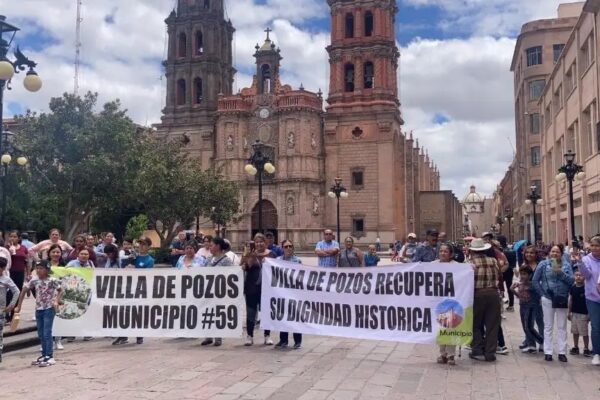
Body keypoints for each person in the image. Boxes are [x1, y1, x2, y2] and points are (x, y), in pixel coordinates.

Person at [15, 260, 62, 367]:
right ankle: (44, 354)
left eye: (41, 268)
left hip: (49, 309)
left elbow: (61, 290)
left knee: (47, 332)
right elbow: (23, 290)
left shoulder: (52, 280)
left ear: (47, 269)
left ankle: (49, 356)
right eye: (37, 268)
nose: (39, 270)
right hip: (38, 309)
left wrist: (56, 300)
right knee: (41, 333)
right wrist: (19, 305)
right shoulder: (34, 280)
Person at [532, 244, 574, 362]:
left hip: (561, 298)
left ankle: (562, 352)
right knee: (548, 325)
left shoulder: (566, 265)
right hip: (548, 298)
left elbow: (571, 281)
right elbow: (535, 280)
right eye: (553, 251)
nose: (555, 254)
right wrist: (542, 294)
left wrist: (560, 272)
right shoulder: (543, 264)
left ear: (561, 254)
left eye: (557, 252)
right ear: (549, 253)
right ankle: (548, 351)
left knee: (562, 326)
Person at [114, 236, 155, 346]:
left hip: (140, 289)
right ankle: (122, 336)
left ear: (148, 247)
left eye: (144, 244)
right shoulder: (133, 256)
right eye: (140, 244)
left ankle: (139, 335)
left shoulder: (150, 260)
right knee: (124, 312)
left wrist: (135, 270)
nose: (141, 246)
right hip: (128, 288)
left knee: (138, 313)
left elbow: (147, 275)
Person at [468, 238, 501, 362]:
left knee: (475, 324)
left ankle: (477, 350)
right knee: (492, 324)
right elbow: (499, 274)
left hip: (477, 294)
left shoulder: (471, 263)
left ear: (472, 250)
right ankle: (490, 352)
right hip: (493, 293)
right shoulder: (493, 260)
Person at [571, 235, 600, 365]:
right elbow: (587, 275)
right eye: (592, 245)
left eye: (597, 245)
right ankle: (596, 353)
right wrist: (580, 262)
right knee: (596, 326)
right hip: (593, 298)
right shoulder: (587, 259)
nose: (594, 248)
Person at [201, 237, 234, 347]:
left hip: (220, 291)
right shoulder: (208, 260)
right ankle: (208, 336)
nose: (210, 247)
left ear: (218, 246)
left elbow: (231, 275)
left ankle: (218, 337)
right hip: (208, 291)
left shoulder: (226, 260)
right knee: (208, 312)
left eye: (212, 245)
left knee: (219, 313)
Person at [241, 233, 273, 346]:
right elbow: (244, 267)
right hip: (251, 288)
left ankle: (267, 335)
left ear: (266, 242)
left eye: (261, 241)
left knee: (265, 312)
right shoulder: (250, 254)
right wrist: (251, 256)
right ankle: (249, 336)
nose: (259, 244)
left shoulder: (271, 254)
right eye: (257, 242)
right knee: (251, 312)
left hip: (266, 289)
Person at [275, 239, 303, 349]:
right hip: (282, 293)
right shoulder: (277, 260)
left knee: (295, 317)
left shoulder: (297, 261)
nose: (288, 248)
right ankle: (283, 340)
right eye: (286, 246)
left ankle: (297, 341)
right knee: (283, 316)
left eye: (290, 246)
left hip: (294, 293)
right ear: (282, 248)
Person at [511, 265, 543, 353]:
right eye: (521, 274)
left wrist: (539, 303)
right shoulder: (520, 284)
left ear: (529, 275)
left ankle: (542, 341)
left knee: (529, 326)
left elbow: (539, 295)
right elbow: (520, 296)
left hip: (531, 306)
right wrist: (513, 290)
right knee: (525, 326)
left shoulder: (533, 285)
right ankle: (531, 345)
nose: (522, 276)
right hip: (522, 306)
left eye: (524, 274)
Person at [519, 245, 544, 352]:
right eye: (527, 252)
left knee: (539, 319)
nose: (529, 254)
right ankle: (529, 341)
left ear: (536, 254)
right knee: (527, 321)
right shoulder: (523, 265)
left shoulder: (540, 266)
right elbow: (522, 281)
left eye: (531, 253)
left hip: (537, 296)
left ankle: (543, 341)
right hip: (526, 298)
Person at [436, 244, 457, 365]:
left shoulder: (457, 267)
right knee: (440, 328)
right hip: (438, 303)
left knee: (450, 328)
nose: (443, 253)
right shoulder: (434, 265)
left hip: (451, 302)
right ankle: (442, 353)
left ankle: (451, 355)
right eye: (441, 251)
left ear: (451, 254)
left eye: (445, 251)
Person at [6, 231, 29, 323]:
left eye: (14, 236)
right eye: (11, 236)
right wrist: (10, 252)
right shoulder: (6, 248)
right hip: (9, 273)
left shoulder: (23, 248)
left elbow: (27, 261)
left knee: (17, 293)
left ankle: (13, 313)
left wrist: (28, 273)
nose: (12, 238)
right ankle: (6, 313)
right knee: (8, 294)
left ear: (19, 238)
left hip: (20, 273)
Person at [0, 256, 20, 363]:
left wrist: (11, 305)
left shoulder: (6, 279)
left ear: (3, 268)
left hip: (1, 310)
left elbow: (16, 291)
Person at [568, 270, 591, 356]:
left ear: (584, 277)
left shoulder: (586, 288)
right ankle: (576, 347)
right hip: (574, 313)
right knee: (575, 331)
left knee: (584, 332)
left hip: (584, 313)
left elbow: (588, 302)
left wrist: (589, 313)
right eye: (576, 275)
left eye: (580, 275)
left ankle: (586, 348)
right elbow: (570, 300)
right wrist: (569, 312)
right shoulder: (573, 288)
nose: (578, 277)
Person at [498, 235, 516, 312]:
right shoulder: (512, 250)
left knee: (500, 288)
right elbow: (514, 263)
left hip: (502, 271)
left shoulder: (500, 252)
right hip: (510, 271)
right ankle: (511, 305)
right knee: (509, 288)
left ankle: (501, 304)